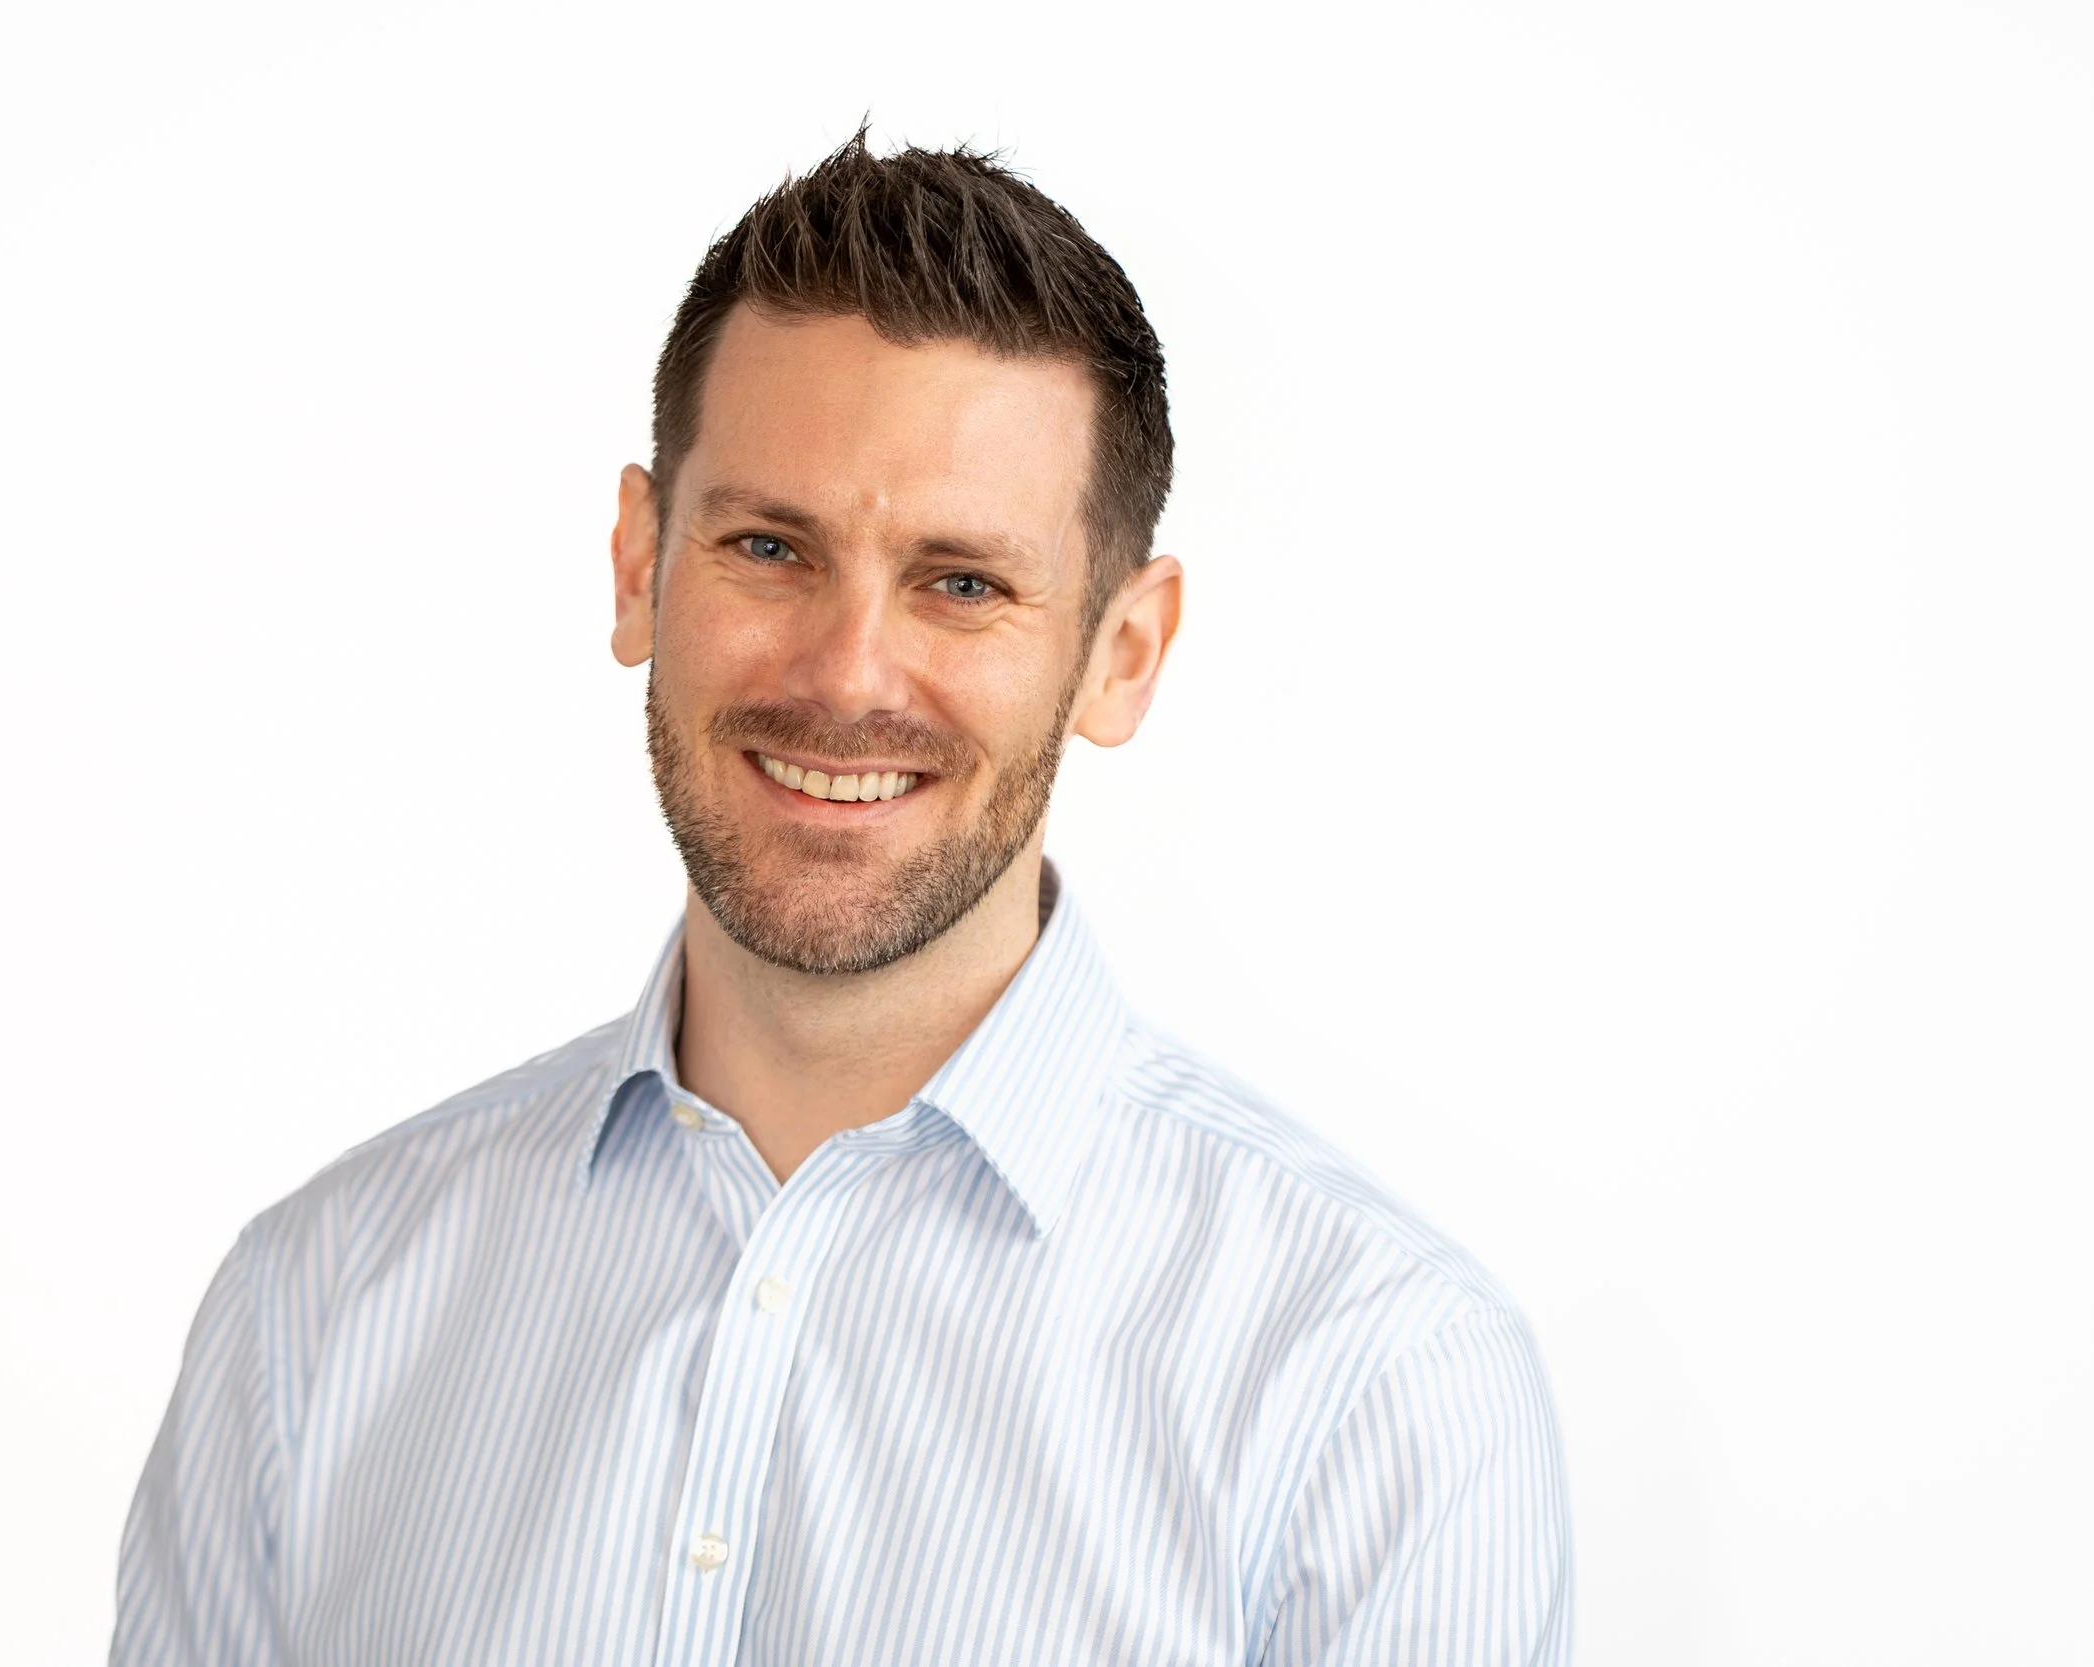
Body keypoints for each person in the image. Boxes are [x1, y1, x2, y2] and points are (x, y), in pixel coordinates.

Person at [115, 133, 1572, 1666]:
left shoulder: (1378, 1380)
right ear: (637, 565)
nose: (844, 675)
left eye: (962, 582)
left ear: (1123, 653)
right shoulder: (313, 1314)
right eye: (767, 546)